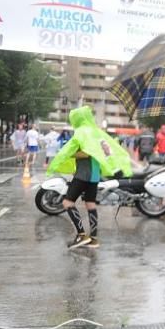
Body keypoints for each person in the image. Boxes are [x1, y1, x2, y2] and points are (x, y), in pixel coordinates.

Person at [48, 107, 132, 250]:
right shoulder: (97, 132)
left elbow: (83, 153)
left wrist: (67, 155)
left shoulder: (82, 132)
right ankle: (93, 239)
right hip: (94, 175)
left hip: (83, 174)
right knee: (90, 203)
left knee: (67, 202)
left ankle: (81, 235)